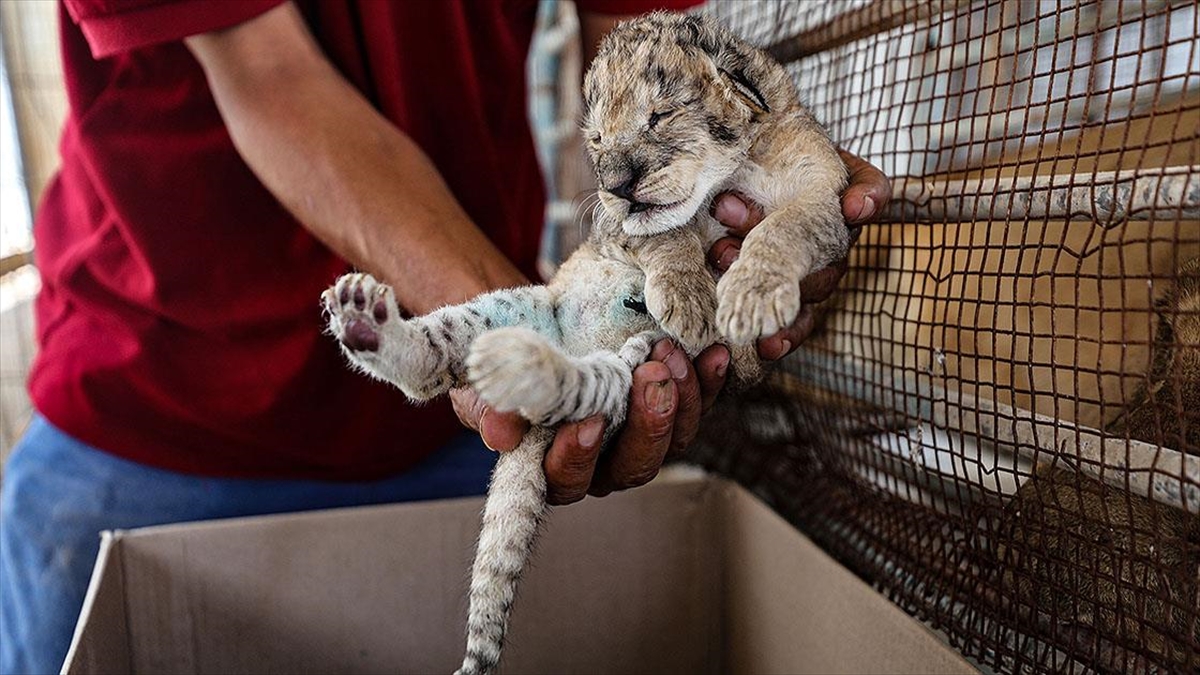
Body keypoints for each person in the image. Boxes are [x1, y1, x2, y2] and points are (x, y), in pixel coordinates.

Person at [0, 1, 891, 673]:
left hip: (445, 449)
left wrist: (728, 203)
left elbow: (631, 40)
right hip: (153, 421)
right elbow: (270, 74)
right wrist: (519, 327)